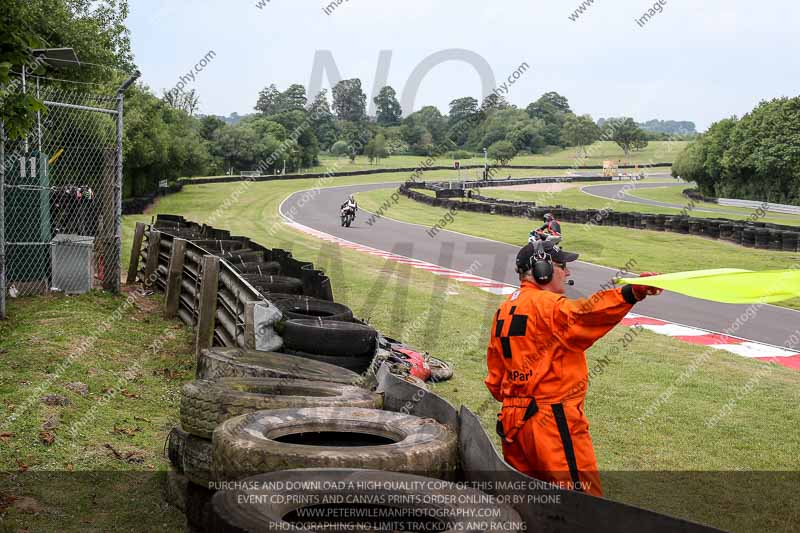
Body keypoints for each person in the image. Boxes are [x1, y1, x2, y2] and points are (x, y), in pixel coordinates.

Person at [484, 240, 662, 497]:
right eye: (562, 266)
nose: (567, 273)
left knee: (531, 503)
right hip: (550, 421)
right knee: (580, 503)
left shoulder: (504, 310)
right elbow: (586, 315)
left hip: (513, 422)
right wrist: (631, 293)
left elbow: (495, 379)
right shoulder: (547, 305)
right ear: (542, 270)